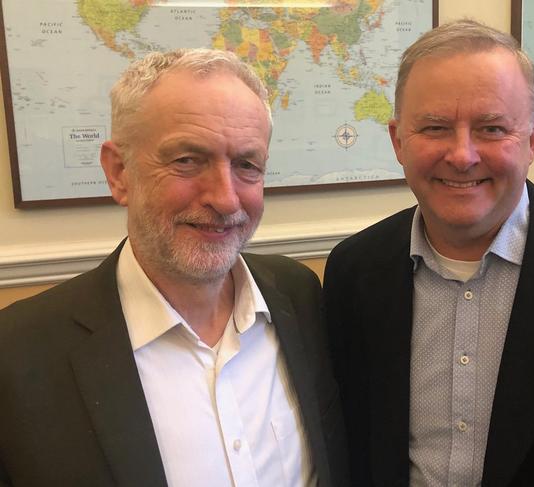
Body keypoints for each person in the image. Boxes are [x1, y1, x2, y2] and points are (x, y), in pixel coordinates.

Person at [324, 19, 534, 487]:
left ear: (533, 140)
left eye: (492, 128)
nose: (462, 155)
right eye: (435, 127)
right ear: (398, 141)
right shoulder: (353, 272)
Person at [0, 49, 347, 487]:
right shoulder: (17, 354)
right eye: (187, 160)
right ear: (119, 172)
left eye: (246, 165)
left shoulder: (299, 296)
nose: (225, 199)